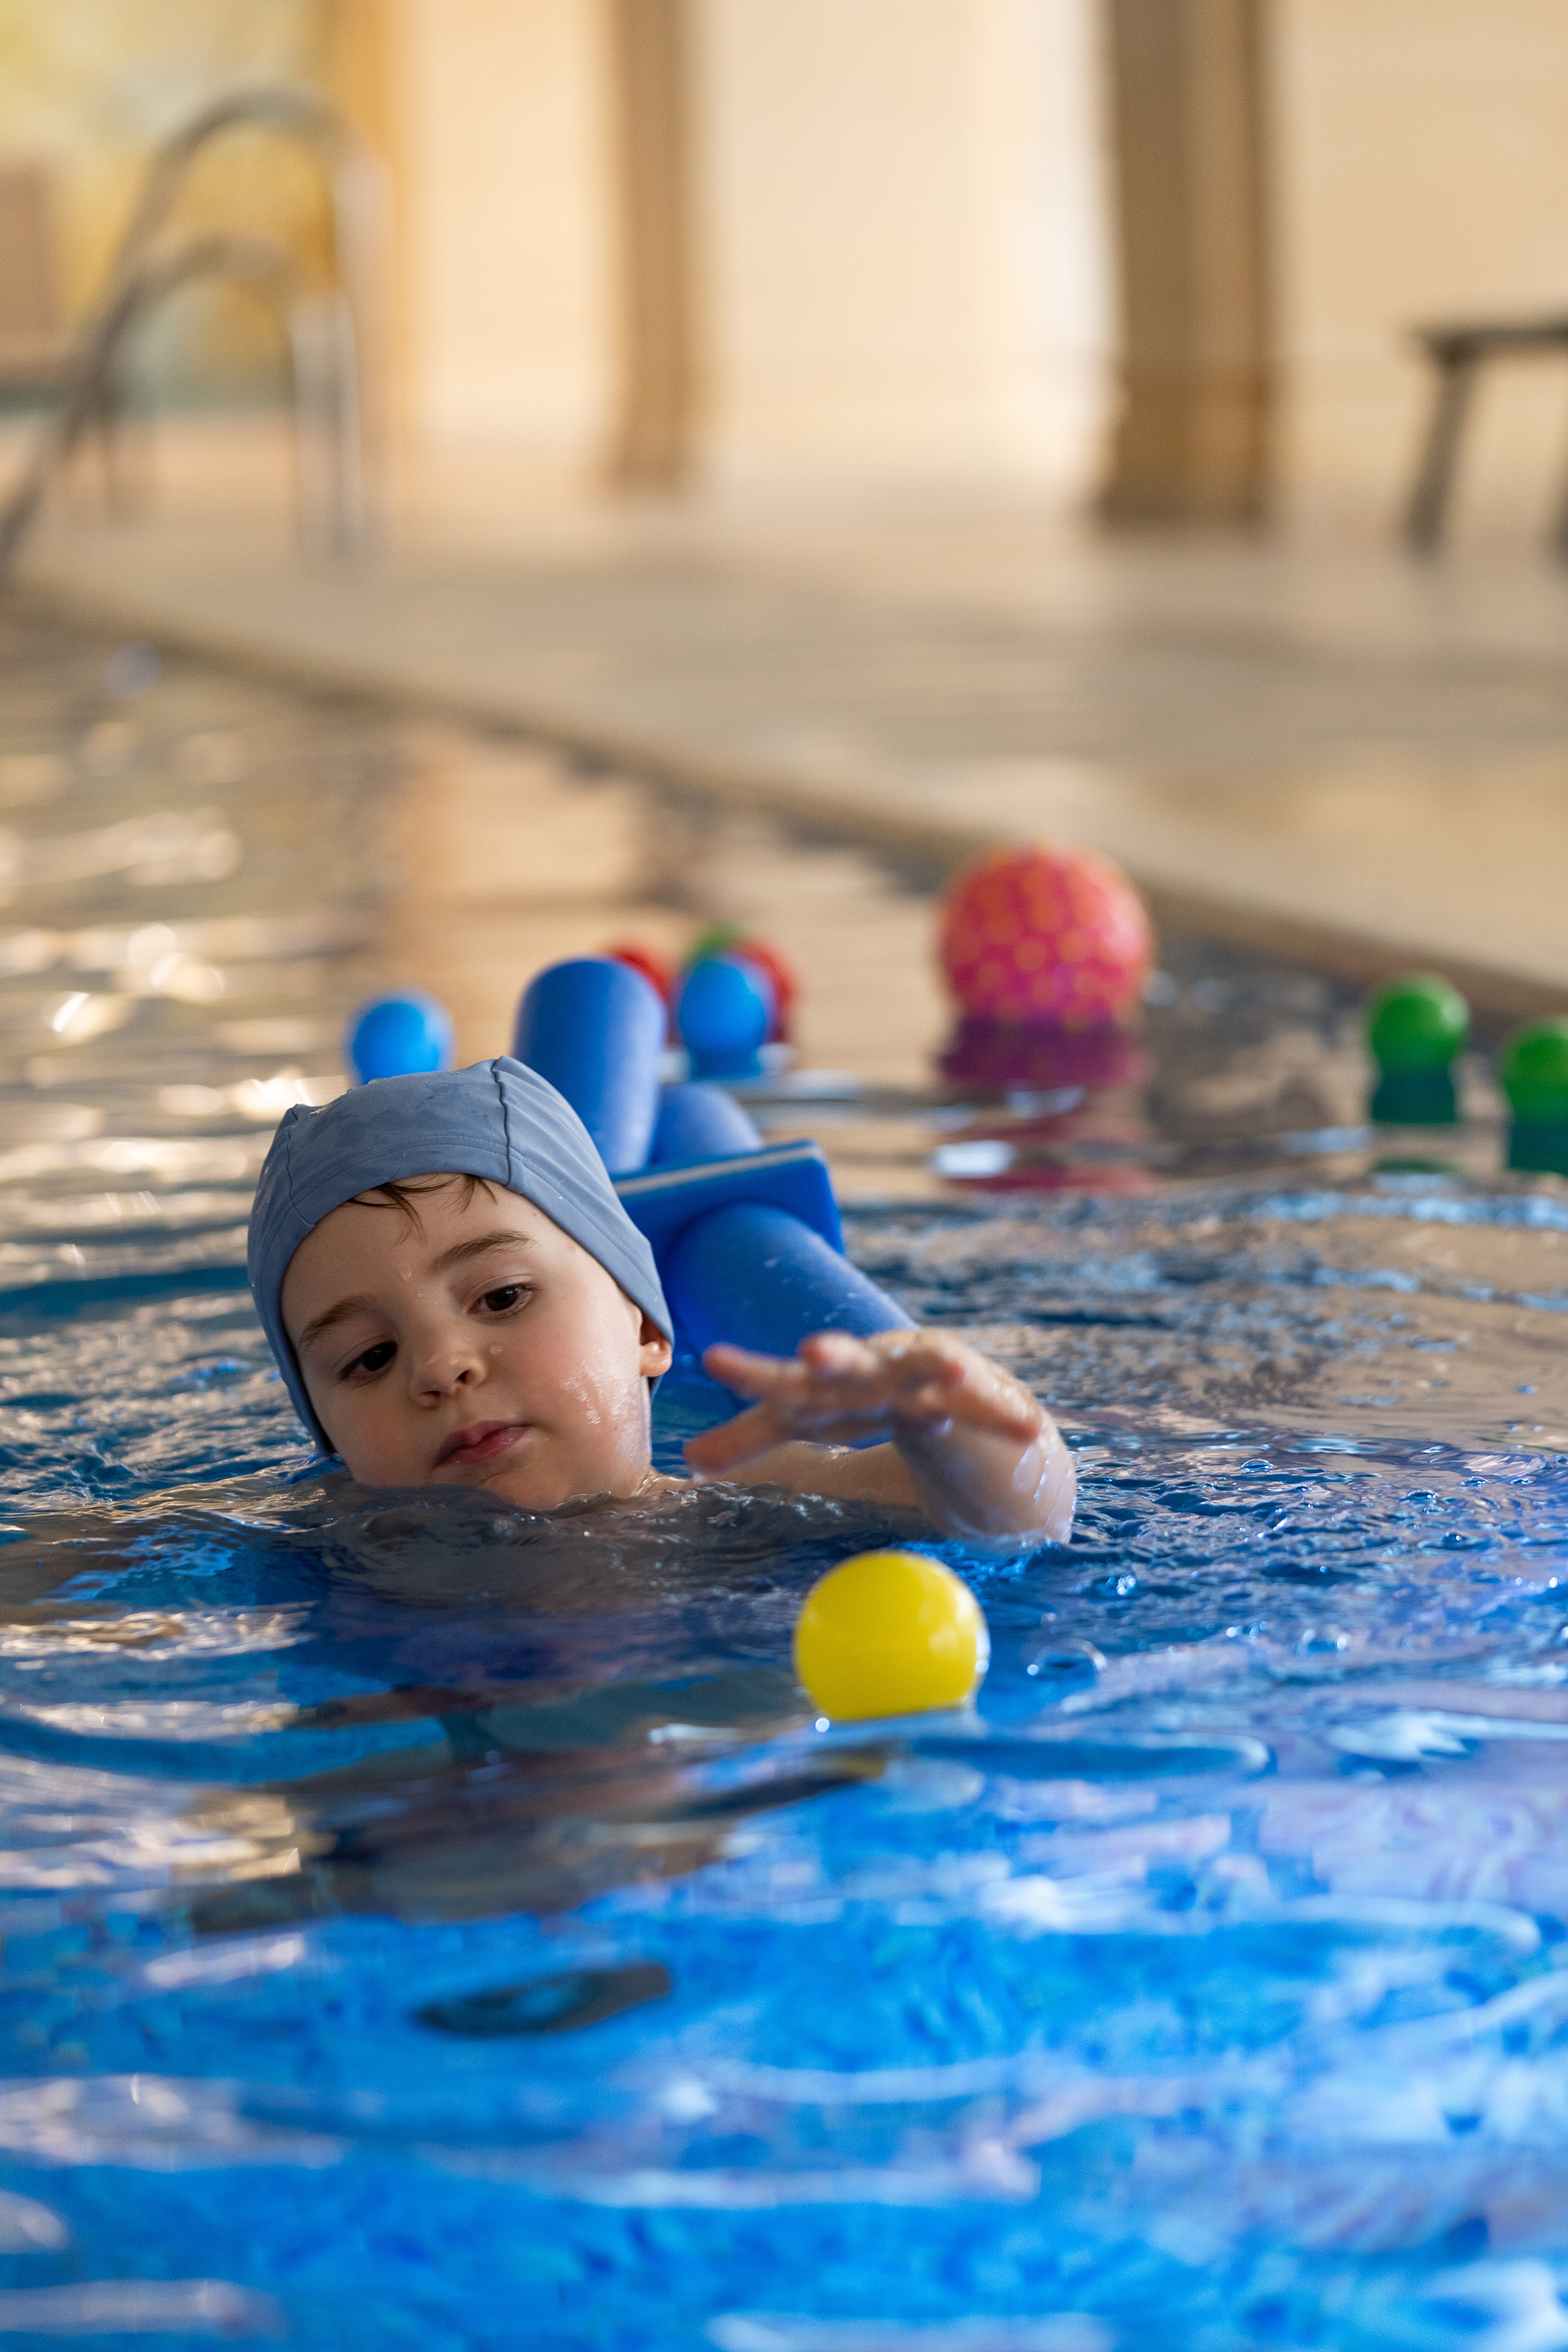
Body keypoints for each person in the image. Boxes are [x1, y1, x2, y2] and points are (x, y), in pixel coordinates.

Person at [248, 1059, 1075, 1548]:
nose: (438, 1364)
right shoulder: (301, 1538)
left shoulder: (742, 1506)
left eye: (501, 1296)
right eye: (368, 1357)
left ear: (643, 1327)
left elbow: (1016, 1518)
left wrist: (950, 1419)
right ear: (326, 1432)